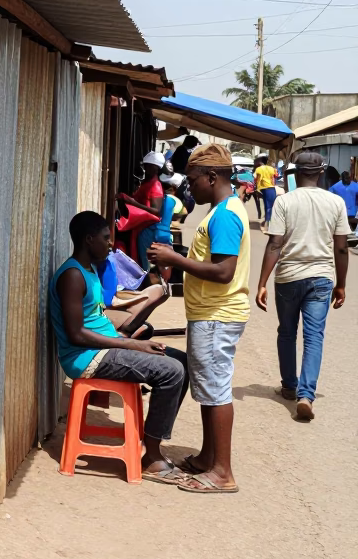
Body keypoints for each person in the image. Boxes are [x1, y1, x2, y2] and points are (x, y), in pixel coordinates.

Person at [50, 211, 188, 483]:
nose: (111, 244)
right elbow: (77, 335)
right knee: (171, 371)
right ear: (89, 239)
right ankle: (151, 458)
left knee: (182, 361)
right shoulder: (72, 275)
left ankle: (149, 440)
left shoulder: (90, 269)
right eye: (105, 238)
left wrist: (130, 340)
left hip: (105, 348)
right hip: (86, 357)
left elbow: (96, 318)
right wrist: (132, 344)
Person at [149, 143, 250, 494]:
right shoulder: (223, 210)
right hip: (210, 313)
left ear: (212, 176)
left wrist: (175, 260)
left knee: (216, 390)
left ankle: (222, 473)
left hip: (216, 314)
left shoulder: (225, 215)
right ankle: (209, 458)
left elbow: (223, 271)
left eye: (193, 180)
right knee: (208, 389)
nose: (190, 187)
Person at [256, 152, 350, 421]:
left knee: (287, 332)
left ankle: (289, 386)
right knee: (314, 336)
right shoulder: (335, 202)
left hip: (288, 277)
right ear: (321, 173)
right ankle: (306, 395)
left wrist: (262, 283)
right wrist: (341, 285)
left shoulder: (284, 201)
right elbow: (341, 248)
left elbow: (275, 244)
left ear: (295, 173)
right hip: (321, 278)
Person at [118, 150, 166, 268]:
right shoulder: (147, 182)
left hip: (147, 228)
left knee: (143, 263)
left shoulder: (155, 185)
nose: (145, 169)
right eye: (145, 166)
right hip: (139, 226)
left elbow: (156, 210)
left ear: (155, 168)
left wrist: (133, 202)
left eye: (148, 166)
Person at [254, 156, 278, 231]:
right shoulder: (272, 169)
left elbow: (255, 178)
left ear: (261, 162)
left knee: (266, 206)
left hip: (262, 189)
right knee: (271, 206)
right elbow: (276, 176)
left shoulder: (258, 169)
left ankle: (267, 224)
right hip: (271, 188)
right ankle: (269, 222)